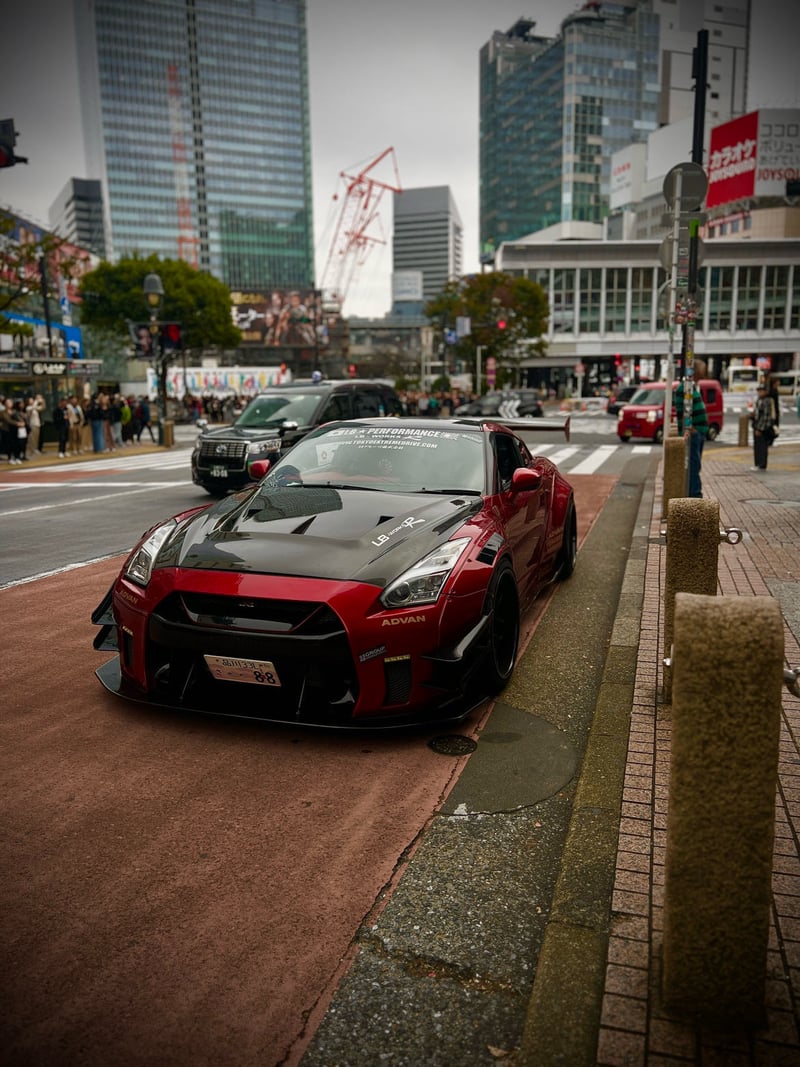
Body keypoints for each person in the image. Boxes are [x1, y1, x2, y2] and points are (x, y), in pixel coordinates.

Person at [674, 380, 708, 498]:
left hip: (699, 430)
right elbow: (681, 410)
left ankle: (694, 493)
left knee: (695, 464)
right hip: (694, 432)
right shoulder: (684, 388)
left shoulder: (693, 387)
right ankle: (694, 494)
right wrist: (687, 428)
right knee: (693, 465)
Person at [751, 383, 778, 470]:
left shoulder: (767, 401)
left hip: (763, 428)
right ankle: (758, 463)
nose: (759, 393)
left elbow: (766, 417)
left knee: (762, 447)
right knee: (757, 446)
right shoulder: (759, 400)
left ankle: (761, 464)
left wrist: (759, 429)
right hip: (757, 425)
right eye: (758, 391)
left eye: (761, 391)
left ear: (766, 392)